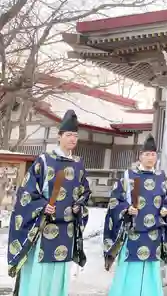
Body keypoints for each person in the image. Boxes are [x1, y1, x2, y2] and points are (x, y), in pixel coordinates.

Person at [7, 110, 91, 296]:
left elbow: (84, 191)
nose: (72, 139)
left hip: (66, 229)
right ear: (59, 136)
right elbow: (26, 192)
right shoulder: (44, 161)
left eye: (75, 136)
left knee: (59, 274)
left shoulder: (78, 164)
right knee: (40, 271)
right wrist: (43, 205)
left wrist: (79, 205)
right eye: (69, 135)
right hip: (44, 226)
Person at [103, 134, 167, 296]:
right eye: (147, 154)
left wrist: (166, 209)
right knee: (130, 267)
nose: (151, 158)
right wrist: (127, 209)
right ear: (140, 156)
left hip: (153, 232)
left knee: (151, 268)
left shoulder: (161, 178)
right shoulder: (128, 176)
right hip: (133, 231)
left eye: (153, 154)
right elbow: (115, 200)